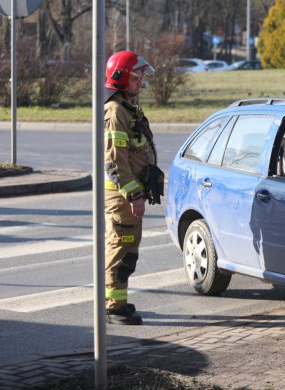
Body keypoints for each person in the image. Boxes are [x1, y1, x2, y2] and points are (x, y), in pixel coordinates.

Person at [103, 51, 162, 325]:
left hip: (130, 195)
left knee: (128, 248)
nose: (141, 84)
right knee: (122, 247)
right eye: (137, 78)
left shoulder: (128, 108)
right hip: (123, 196)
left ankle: (118, 300)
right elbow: (116, 161)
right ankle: (114, 306)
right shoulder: (116, 112)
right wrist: (134, 195)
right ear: (122, 79)